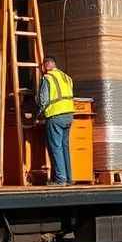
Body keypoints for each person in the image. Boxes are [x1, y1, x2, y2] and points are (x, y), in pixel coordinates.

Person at [38, 56, 75, 185]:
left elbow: (43, 100)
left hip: (55, 116)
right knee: (65, 147)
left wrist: (38, 114)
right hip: (69, 115)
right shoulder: (66, 77)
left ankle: (60, 179)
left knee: (56, 148)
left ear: (45, 66)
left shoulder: (47, 78)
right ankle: (69, 178)